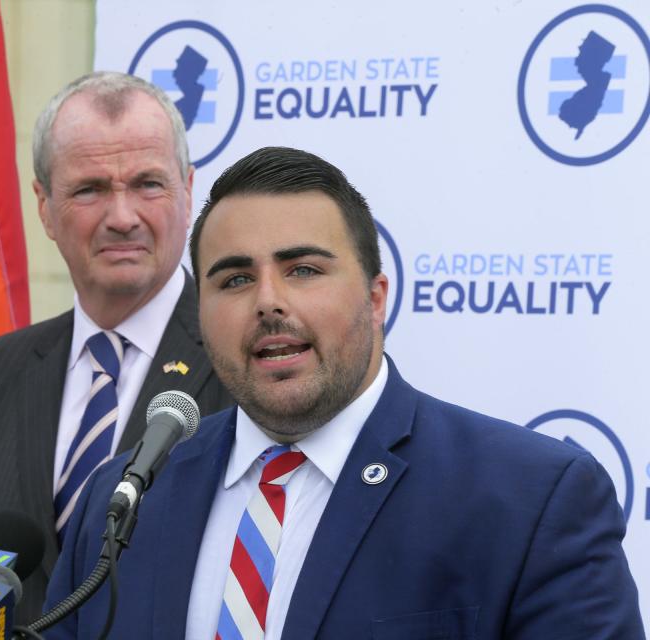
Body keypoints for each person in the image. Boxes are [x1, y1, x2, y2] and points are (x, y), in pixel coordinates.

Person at [45, 147, 644, 639]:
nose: (268, 301)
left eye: (303, 269)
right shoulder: (119, 500)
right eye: (234, 279)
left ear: (377, 298)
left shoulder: (531, 498)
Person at [0, 71, 231, 624]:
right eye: (89, 189)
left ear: (187, 191)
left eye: (148, 184)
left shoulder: (245, 364)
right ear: (43, 207)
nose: (122, 216)